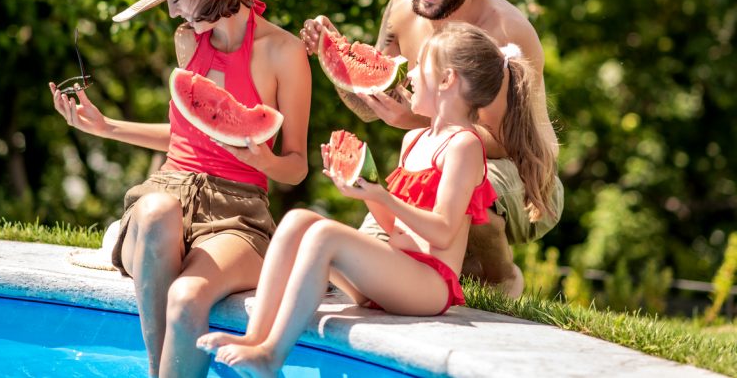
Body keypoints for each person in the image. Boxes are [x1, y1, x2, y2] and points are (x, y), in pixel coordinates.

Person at [196, 23, 555, 376]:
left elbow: (443, 233)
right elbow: (394, 227)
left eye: (419, 66)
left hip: (430, 286)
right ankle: (255, 336)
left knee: (324, 236)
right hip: (394, 274)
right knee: (299, 220)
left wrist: (383, 194)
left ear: (447, 81)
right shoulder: (413, 140)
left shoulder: (463, 146)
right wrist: (360, 189)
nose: (409, 73)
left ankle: (271, 355)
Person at [48, 0, 311, 378]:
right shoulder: (188, 39)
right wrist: (107, 127)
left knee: (188, 297)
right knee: (156, 210)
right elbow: (185, 134)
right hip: (165, 196)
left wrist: (260, 160)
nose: (171, 11)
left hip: (238, 214)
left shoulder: (284, 52)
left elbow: (297, 167)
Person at [299, 0, 564, 298]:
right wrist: (332, 58)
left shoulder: (505, 31)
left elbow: (515, 144)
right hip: (438, 158)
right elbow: (373, 106)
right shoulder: (402, 7)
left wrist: (418, 122)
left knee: (467, 180)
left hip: (522, 176)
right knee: (363, 281)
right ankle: (449, 272)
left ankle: (501, 280)